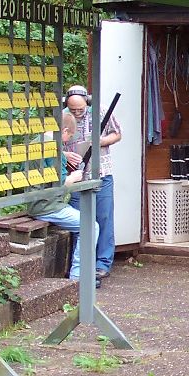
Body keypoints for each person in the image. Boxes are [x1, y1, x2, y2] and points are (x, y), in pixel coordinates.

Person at [26, 111, 100, 288]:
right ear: (64, 130)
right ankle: (78, 277)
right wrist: (74, 177)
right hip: (47, 205)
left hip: (36, 201)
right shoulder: (53, 148)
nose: (67, 141)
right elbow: (59, 183)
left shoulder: (37, 142)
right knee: (91, 226)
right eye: (69, 136)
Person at [63, 85, 121, 279]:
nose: (77, 113)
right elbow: (50, 142)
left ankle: (102, 263)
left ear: (87, 102)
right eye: (73, 109)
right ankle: (80, 264)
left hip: (101, 173)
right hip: (75, 176)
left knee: (104, 218)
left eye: (80, 109)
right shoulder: (62, 116)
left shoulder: (102, 111)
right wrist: (64, 155)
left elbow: (117, 133)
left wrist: (100, 141)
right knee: (79, 220)